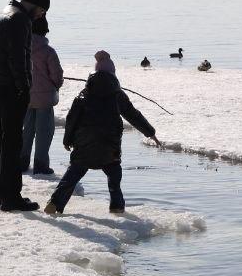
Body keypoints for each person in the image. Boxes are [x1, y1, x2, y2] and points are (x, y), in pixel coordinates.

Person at [45, 52, 160, 215]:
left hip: (83, 145)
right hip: (109, 146)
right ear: (113, 75)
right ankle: (117, 206)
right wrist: (150, 133)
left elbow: (72, 119)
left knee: (73, 173)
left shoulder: (83, 96)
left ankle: (55, 203)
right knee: (114, 176)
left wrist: (67, 140)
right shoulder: (117, 95)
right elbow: (133, 115)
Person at [0, 0, 50, 211]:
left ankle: (2, 192)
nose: (41, 16)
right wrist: (24, 87)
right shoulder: (19, 19)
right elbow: (18, 57)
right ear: (34, 4)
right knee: (13, 143)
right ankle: (11, 196)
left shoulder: (3, 14)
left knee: (4, 140)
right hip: (10, 87)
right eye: (42, 11)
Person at [20, 15, 63, 174]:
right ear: (45, 31)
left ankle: (22, 162)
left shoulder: (22, 48)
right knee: (44, 133)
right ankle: (41, 165)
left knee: (26, 131)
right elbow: (56, 75)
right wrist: (57, 84)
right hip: (44, 99)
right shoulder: (48, 51)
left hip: (26, 96)